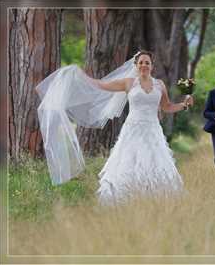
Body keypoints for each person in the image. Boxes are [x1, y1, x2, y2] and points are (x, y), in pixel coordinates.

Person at [36, 50, 193, 205]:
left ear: (152, 66)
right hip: (132, 130)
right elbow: (100, 85)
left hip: (153, 131)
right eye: (141, 62)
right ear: (136, 65)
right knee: (128, 162)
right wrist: (81, 75)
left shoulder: (160, 85)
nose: (144, 65)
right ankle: (125, 199)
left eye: (147, 63)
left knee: (155, 162)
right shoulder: (128, 82)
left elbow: (167, 107)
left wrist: (184, 105)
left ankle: (155, 200)